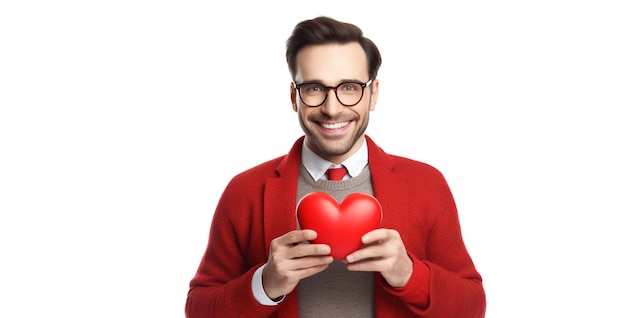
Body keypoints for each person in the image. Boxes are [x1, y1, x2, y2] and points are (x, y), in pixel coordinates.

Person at [185, 16, 486, 317]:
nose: (332, 109)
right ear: (294, 96)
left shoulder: (426, 184)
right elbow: (198, 309)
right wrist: (264, 284)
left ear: (373, 93)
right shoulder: (245, 190)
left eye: (350, 87)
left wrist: (409, 274)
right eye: (315, 88)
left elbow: (472, 306)